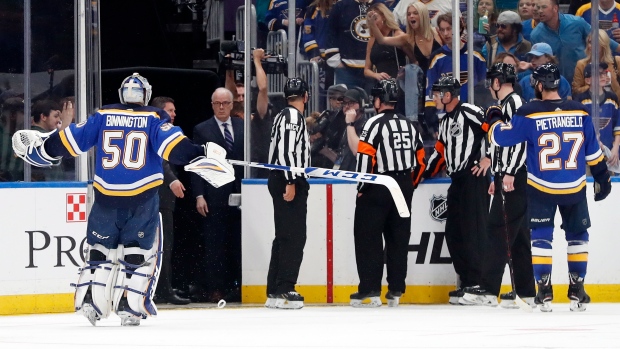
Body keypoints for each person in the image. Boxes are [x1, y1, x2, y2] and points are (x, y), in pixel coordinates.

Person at [12, 73, 215, 326]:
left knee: (99, 251)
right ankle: (130, 307)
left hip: (106, 196)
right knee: (138, 253)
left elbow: (70, 140)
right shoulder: (154, 119)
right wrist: (202, 153)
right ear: (145, 95)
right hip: (143, 198)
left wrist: (44, 149)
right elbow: (177, 149)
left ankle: (92, 303)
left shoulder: (102, 116)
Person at [488, 63, 612, 312]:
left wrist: (494, 118)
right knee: (578, 237)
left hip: (541, 187)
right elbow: (594, 153)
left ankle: (543, 290)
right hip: (574, 187)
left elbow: (501, 138)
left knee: (542, 237)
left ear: (541, 85)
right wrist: (603, 178)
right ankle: (577, 289)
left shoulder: (529, 112)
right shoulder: (581, 111)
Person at [462, 63, 536, 308]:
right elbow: (500, 146)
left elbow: (518, 143)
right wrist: (497, 175)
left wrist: (510, 173)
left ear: (497, 82)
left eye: (491, 80)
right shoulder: (508, 104)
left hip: (515, 175)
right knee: (517, 236)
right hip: (509, 174)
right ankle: (526, 291)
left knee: (497, 229)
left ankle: (488, 288)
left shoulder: (514, 103)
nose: (489, 85)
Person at [349, 79, 426, 308]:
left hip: (378, 184)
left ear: (379, 100)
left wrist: (362, 188)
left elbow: (365, 158)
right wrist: (409, 184)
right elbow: (421, 161)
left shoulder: (373, 124)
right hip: (403, 185)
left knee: (367, 237)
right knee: (398, 238)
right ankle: (395, 291)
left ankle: (370, 290)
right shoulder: (410, 125)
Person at [423, 76, 492, 305]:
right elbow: (439, 154)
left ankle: (478, 284)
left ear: (450, 94)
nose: (435, 97)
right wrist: (420, 173)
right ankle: (467, 281)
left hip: (474, 178)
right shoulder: (444, 122)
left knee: (474, 231)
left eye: (439, 93)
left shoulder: (469, 111)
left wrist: (488, 158)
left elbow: (495, 129)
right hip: (458, 181)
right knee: (454, 232)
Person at [192, 88, 244, 303]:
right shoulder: (202, 129)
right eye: (217, 103)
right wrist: (199, 195)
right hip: (214, 195)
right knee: (215, 245)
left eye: (225, 102)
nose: (221, 107)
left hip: (241, 194)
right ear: (212, 105)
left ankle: (239, 285)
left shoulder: (243, 126)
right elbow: (196, 163)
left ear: (232, 104)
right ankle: (216, 288)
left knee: (238, 242)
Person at [265, 77, 311, 310]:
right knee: (294, 236)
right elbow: (287, 152)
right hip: (287, 178)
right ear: (306, 96)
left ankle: (274, 290)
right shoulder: (292, 117)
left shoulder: (284, 115)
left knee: (284, 235)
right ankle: (285, 287)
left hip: (280, 177)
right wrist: (291, 181)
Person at [149, 96, 190, 306]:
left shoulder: (166, 134)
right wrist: (173, 180)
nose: (174, 114)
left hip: (162, 201)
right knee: (160, 246)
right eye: (170, 110)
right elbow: (161, 163)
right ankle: (160, 289)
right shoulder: (155, 133)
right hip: (156, 199)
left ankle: (162, 287)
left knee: (165, 245)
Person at [424, 13, 487, 136]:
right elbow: (431, 89)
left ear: (459, 28)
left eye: (449, 28)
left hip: (472, 114)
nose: (446, 33)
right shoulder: (436, 58)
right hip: (446, 116)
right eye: (442, 30)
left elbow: (483, 87)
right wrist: (431, 118)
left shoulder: (476, 55)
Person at [530, 0, 620, 84]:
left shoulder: (577, 22)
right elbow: (537, 62)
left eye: (544, 7)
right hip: (555, 83)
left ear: (555, 8)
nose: (540, 11)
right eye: (538, 8)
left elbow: (600, 39)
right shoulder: (536, 34)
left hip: (584, 79)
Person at [325, 0, 379, 92]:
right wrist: (336, 62)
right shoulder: (341, 6)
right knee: (346, 104)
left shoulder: (380, 5)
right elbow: (330, 33)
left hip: (374, 71)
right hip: (346, 70)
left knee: (373, 105)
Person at [573, 63, 620, 166]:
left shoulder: (612, 98)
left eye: (604, 73)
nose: (603, 76)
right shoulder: (580, 100)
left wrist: (616, 148)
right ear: (588, 80)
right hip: (587, 154)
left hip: (610, 154)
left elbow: (617, 126)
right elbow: (577, 129)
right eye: (598, 74)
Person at [573, 30, 620, 101]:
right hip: (589, 104)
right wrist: (594, 84)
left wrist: (612, 80)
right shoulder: (581, 64)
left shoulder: (616, 61)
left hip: (614, 105)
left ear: (603, 44)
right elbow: (576, 90)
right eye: (589, 42)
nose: (590, 46)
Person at [334, 87, 371, 171]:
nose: (346, 107)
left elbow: (357, 151)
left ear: (361, 104)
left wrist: (350, 124)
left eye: (351, 103)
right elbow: (342, 156)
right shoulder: (346, 124)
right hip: (342, 174)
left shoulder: (367, 125)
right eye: (344, 103)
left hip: (356, 177)